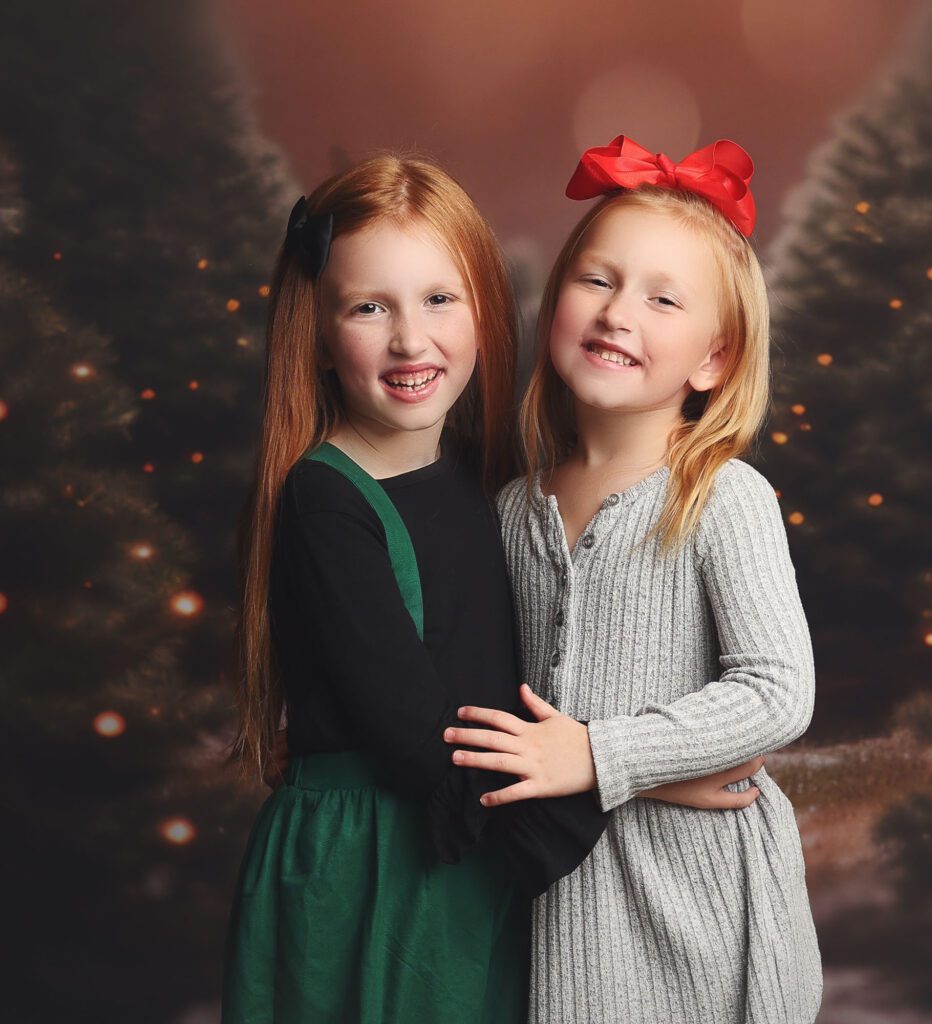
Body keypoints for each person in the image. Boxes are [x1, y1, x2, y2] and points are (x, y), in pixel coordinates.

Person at [222, 152, 759, 1024]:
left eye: (439, 298)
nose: (410, 339)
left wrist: (628, 758)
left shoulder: (497, 491)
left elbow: (530, 687)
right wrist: (645, 780)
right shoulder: (326, 502)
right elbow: (428, 746)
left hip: (466, 866)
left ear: (485, 312)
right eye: (369, 307)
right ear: (316, 333)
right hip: (380, 882)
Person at [444, 136, 823, 1023]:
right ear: (556, 303)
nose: (619, 313)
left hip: (699, 912)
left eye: (662, 298)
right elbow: (500, 725)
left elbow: (776, 692)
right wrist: (629, 771)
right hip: (563, 911)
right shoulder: (511, 509)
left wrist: (600, 757)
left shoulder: (721, 496)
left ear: (713, 360)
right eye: (598, 280)